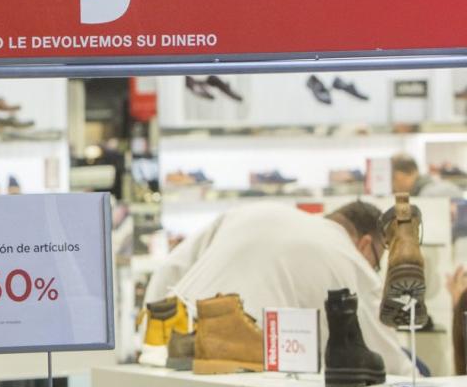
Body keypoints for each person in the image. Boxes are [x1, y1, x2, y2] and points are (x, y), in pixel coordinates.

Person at [146, 201, 412, 375]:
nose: (372, 269)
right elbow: (385, 357)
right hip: (254, 368)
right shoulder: (346, 254)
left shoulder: (251, 211)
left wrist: (147, 341)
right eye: (376, 263)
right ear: (366, 244)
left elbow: (170, 268)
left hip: (178, 342)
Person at [391, 153, 462, 198]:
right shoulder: (427, 190)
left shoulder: (429, 194)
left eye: (394, 178)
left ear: (412, 172)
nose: (393, 186)